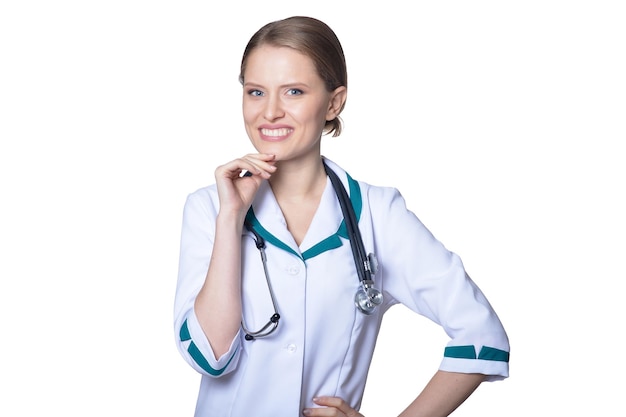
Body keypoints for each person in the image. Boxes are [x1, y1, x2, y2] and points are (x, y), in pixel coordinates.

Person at [173, 15, 509, 417]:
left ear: (334, 102)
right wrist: (231, 218)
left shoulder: (378, 215)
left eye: (294, 91)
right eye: (256, 92)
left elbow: (481, 335)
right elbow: (210, 359)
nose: (270, 112)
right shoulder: (209, 208)